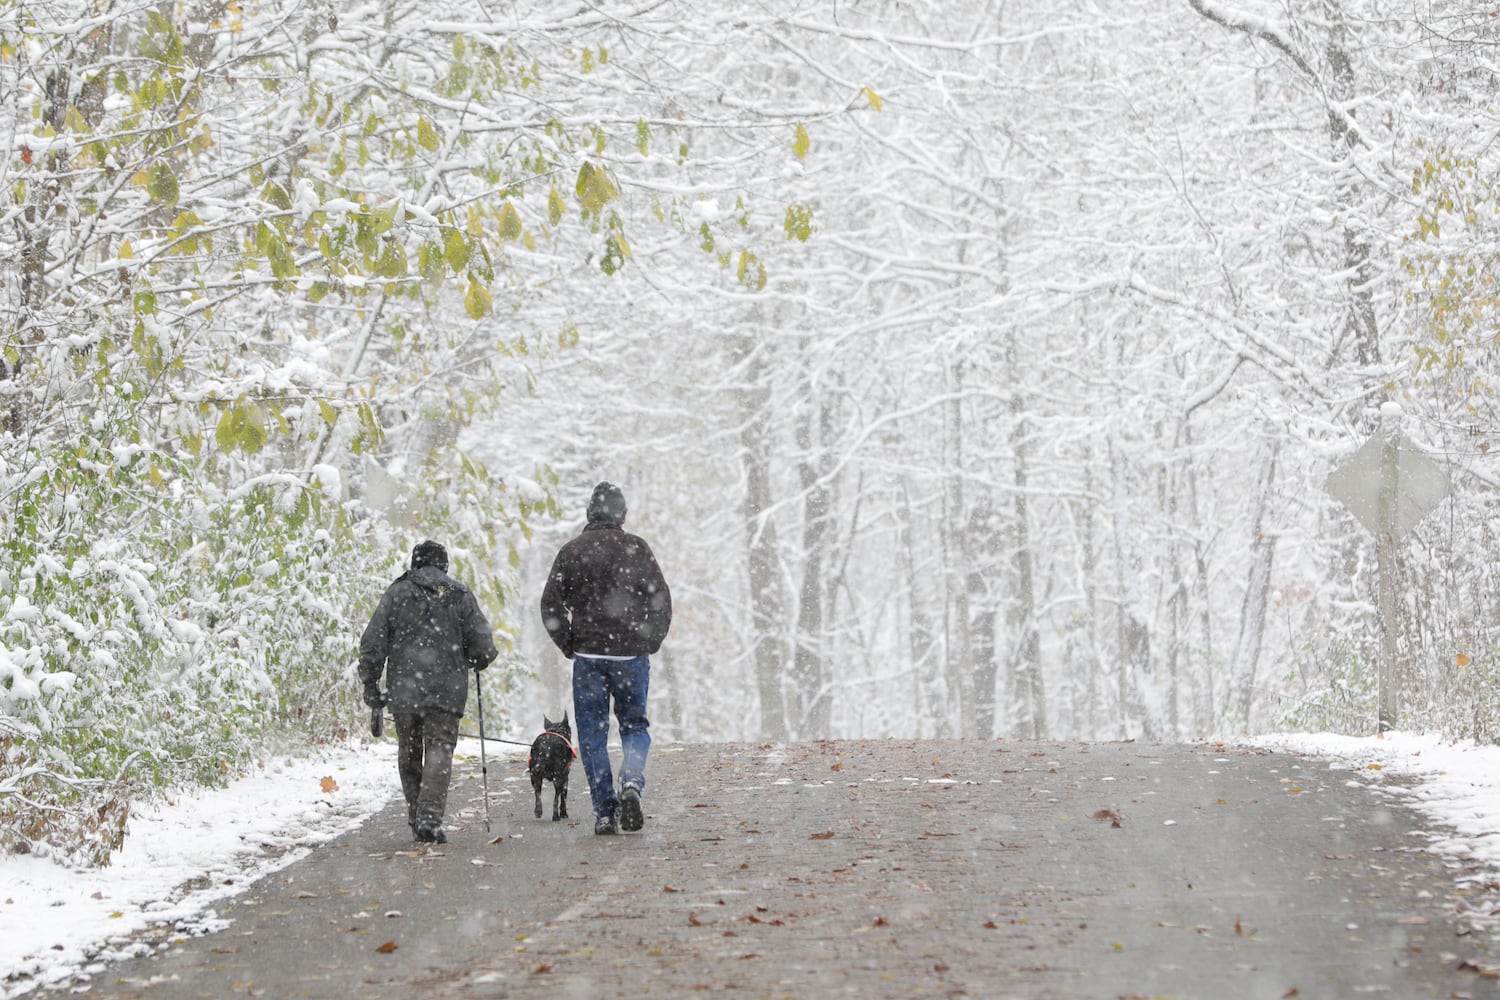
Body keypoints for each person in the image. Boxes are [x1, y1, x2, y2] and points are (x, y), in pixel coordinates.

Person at [540, 482, 672, 835]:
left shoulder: (571, 552)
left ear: (589, 514)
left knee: (592, 734)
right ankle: (631, 782)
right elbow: (661, 600)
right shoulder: (636, 549)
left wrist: (569, 644)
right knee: (634, 726)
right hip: (630, 656)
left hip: (589, 658)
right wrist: (650, 640)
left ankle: (604, 811)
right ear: (622, 515)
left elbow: (549, 605)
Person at [359, 540, 497, 843]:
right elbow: (484, 644)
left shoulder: (396, 593)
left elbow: (373, 640)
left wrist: (370, 682)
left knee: (409, 752)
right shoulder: (459, 594)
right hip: (447, 692)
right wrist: (478, 658)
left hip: (405, 690)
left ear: (415, 563)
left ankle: (415, 814)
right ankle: (429, 818)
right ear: (445, 565)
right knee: (439, 751)